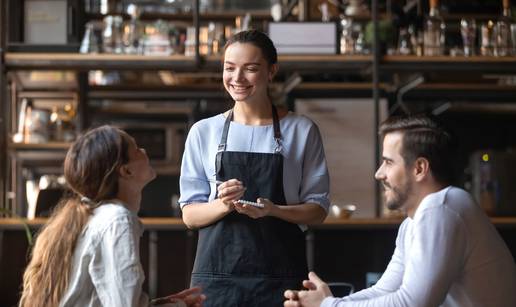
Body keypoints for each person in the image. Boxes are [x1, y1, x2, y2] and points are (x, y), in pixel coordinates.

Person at [284, 114, 516, 307]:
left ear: (419, 168)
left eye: (389, 162)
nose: (379, 173)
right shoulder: (414, 221)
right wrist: (325, 302)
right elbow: (385, 290)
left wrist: (328, 305)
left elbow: (411, 303)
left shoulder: (442, 208)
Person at [178, 30, 330, 306]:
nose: (237, 78)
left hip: (281, 277)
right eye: (229, 68)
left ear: (271, 71)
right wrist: (223, 204)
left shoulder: (301, 130)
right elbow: (189, 214)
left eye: (250, 69)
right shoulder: (203, 132)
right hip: (217, 279)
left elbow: (318, 209)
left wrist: (273, 210)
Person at [20, 125, 206, 307]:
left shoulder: (101, 216)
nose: (144, 150)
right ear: (126, 171)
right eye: (136, 149)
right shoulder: (118, 220)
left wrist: (169, 303)